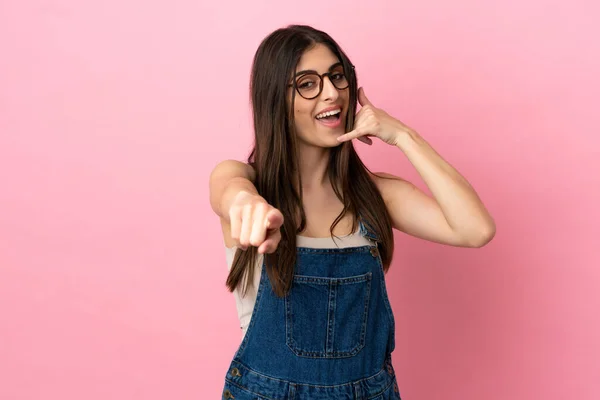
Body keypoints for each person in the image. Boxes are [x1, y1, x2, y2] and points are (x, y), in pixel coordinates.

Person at [209, 24, 495, 400]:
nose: (332, 93)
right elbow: (229, 190)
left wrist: (404, 136)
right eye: (308, 83)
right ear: (275, 99)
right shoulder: (245, 182)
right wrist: (246, 204)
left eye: (337, 76)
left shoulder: (375, 196)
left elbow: (476, 230)